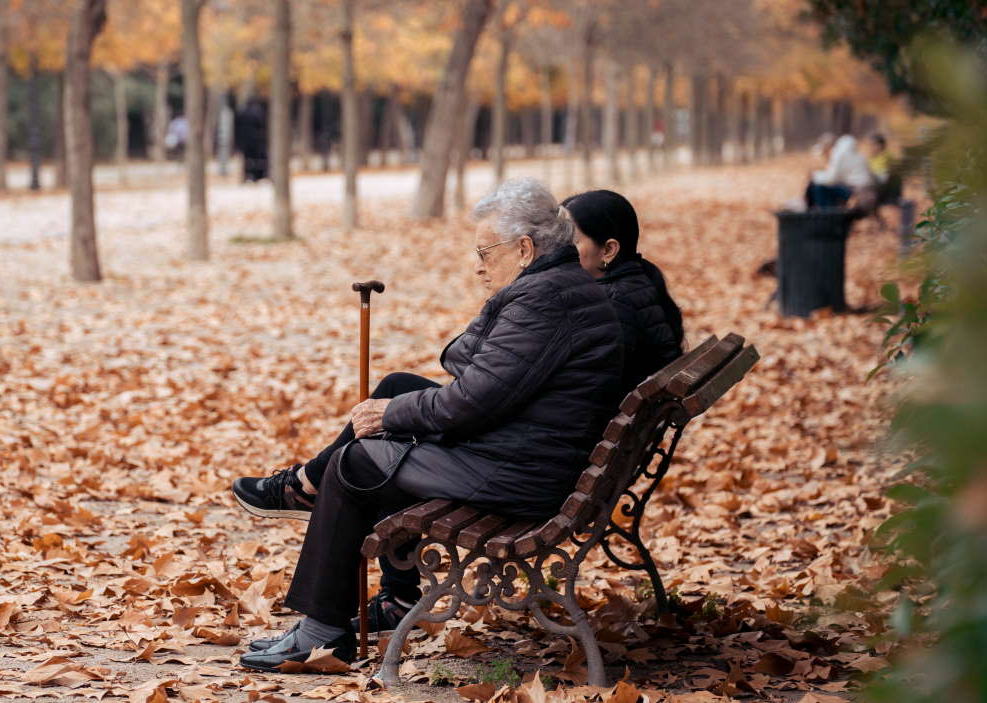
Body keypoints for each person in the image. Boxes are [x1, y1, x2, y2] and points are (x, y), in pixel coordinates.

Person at [233, 178, 624, 671]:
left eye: (486, 250)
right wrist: (407, 403)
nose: (479, 264)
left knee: (357, 462)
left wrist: (392, 416)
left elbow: (473, 400)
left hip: (521, 472)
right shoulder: (554, 287)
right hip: (529, 451)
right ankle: (310, 500)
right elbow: (465, 359)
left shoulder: (543, 300)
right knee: (397, 389)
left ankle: (321, 631)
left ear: (524, 248)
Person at [561, 190, 684, 393]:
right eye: (557, 239)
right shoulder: (638, 283)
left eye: (570, 242)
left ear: (608, 250)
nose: (557, 250)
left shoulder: (610, 305)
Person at [804, 133, 875, 209]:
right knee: (820, 186)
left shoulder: (838, 154)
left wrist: (814, 176)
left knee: (818, 187)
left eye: (824, 150)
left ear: (829, 147)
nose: (824, 155)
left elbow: (831, 179)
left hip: (856, 191)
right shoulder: (852, 153)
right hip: (863, 189)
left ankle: (824, 213)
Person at [235, 98, 268, 182]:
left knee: (248, 159)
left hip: (246, 142)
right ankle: (257, 175)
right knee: (257, 159)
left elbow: (237, 128)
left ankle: (249, 175)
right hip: (256, 141)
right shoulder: (259, 113)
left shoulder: (242, 113)